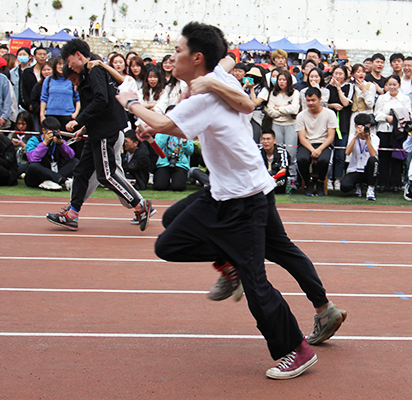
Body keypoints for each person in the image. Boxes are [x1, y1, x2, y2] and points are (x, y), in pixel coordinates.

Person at [116, 22, 324, 380]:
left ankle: (296, 349)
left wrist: (131, 101)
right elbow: (210, 90)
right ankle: (231, 262)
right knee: (172, 231)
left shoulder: (206, 95)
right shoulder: (218, 79)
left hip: (245, 199)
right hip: (228, 191)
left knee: (255, 279)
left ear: (197, 57)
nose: (172, 57)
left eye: (178, 51)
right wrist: (157, 123)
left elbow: (164, 123)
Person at [45, 38, 152, 231]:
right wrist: (84, 128)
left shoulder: (94, 71)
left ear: (78, 55)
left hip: (106, 131)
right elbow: (99, 104)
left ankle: (139, 204)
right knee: (81, 172)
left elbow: (101, 100)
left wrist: (78, 120)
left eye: (69, 61)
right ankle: (72, 214)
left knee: (106, 175)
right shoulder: (89, 73)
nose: (69, 66)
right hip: (97, 131)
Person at [374, 74, 412, 193]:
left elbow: (409, 114)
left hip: (399, 132)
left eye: (394, 84)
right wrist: (387, 118)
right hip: (384, 130)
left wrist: (397, 118)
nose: (392, 87)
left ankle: (396, 184)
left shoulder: (404, 98)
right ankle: (382, 183)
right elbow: (376, 114)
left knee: (397, 158)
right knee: (384, 157)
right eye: (389, 84)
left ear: (399, 85)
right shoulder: (382, 98)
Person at [296, 87, 338, 196]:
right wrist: (312, 150)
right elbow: (302, 138)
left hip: (324, 144)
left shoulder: (330, 114)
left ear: (320, 99)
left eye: (313, 100)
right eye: (308, 100)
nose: (311, 103)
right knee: (301, 159)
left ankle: (320, 181)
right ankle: (308, 182)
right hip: (307, 144)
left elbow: (330, 137)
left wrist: (319, 150)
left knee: (324, 160)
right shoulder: (301, 115)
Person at [24, 116, 78, 190]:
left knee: (75, 161)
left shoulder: (58, 140)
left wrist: (61, 144)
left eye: (57, 131)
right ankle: (63, 180)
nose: (54, 133)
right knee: (33, 166)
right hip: (38, 175)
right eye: (52, 131)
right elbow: (32, 159)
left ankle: (52, 181)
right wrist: (45, 143)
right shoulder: (33, 140)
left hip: (54, 170)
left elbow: (71, 156)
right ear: (43, 130)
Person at [265, 70, 299, 178]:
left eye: (284, 79)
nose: (281, 82)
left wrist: (278, 108)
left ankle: (292, 177)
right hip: (276, 124)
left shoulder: (295, 93)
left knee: (291, 152)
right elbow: (270, 111)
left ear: (289, 81)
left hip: (291, 125)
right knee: (277, 151)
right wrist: (285, 110)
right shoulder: (273, 93)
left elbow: (294, 109)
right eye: (280, 79)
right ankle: (278, 176)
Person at [327, 65, 353, 191]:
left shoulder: (349, 87)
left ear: (345, 76)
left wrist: (338, 88)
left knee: (340, 154)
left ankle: (337, 179)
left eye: (340, 74)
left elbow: (345, 103)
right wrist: (332, 105)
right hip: (329, 124)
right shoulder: (328, 88)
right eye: (335, 73)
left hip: (343, 124)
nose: (337, 76)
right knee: (329, 153)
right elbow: (323, 103)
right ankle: (328, 179)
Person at [341, 113, 378, 200]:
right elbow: (347, 152)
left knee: (373, 160)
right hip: (355, 168)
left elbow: (373, 154)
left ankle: (371, 190)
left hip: (368, 169)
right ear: (355, 126)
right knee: (345, 187)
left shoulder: (374, 138)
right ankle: (357, 186)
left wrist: (367, 138)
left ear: (369, 125)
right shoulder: (352, 136)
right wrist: (356, 136)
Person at [40, 55, 81, 129]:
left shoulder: (71, 79)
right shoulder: (48, 80)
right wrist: (42, 114)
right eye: (59, 64)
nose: (61, 66)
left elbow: (78, 98)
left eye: (64, 64)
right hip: (51, 115)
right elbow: (44, 98)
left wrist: (75, 113)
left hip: (67, 115)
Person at [19, 46, 48, 130]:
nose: (42, 56)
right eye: (40, 54)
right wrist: (29, 104)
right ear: (34, 56)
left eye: (44, 54)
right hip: (31, 108)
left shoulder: (50, 72)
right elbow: (23, 90)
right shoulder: (27, 72)